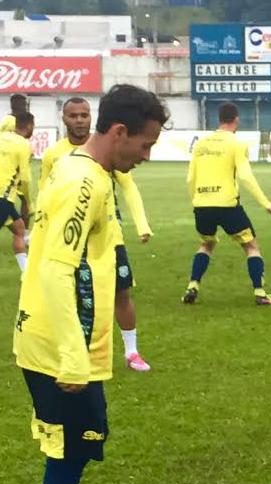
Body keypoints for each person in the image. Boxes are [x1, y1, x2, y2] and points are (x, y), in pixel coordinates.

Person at [14, 84, 168, 484]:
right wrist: (73, 357)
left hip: (65, 342)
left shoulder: (85, 171)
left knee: (72, 449)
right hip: (61, 349)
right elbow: (58, 270)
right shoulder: (85, 183)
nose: (147, 156)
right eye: (145, 145)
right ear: (119, 133)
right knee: (70, 449)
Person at [40, 97, 154, 372]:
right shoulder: (55, 155)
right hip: (73, 241)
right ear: (64, 119)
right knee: (72, 293)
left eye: (84, 115)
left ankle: (131, 351)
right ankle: (74, 353)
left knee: (121, 293)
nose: (79, 120)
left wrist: (142, 224)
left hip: (110, 239)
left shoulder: (110, 151)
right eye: (73, 115)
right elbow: (45, 194)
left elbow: (128, 187)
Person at [182, 101, 271, 306]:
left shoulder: (201, 144)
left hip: (202, 204)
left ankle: (193, 286)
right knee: (251, 246)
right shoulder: (237, 143)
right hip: (227, 204)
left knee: (206, 244)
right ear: (236, 119)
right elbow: (245, 176)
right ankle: (260, 292)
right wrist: (266, 203)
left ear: (218, 119)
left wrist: (197, 200)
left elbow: (190, 178)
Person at [0, 111, 34, 272]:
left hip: (4, 196)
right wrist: (28, 201)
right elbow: (25, 179)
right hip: (2, 197)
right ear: (29, 126)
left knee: (19, 228)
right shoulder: (23, 144)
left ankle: (26, 273)